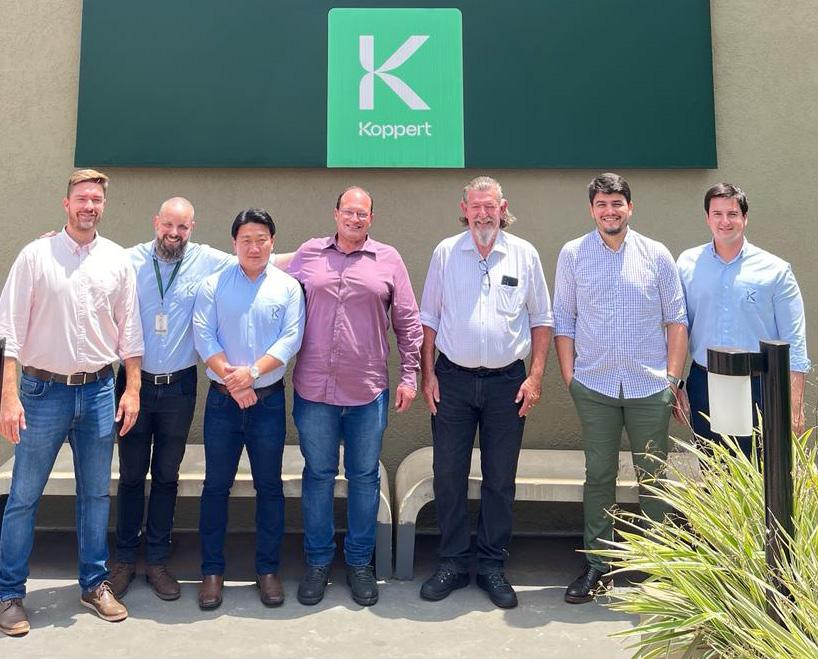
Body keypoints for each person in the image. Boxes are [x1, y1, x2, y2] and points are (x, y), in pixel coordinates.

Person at [0, 169, 144, 635]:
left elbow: (130, 330)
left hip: (99, 391)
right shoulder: (35, 255)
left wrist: (133, 388)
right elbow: (9, 330)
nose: (89, 206)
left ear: (103, 206)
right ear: (67, 204)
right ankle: (8, 594)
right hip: (42, 393)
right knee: (24, 495)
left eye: (96, 200)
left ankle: (94, 583)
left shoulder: (117, 260)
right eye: (82, 198)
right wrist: (8, 396)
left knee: (95, 494)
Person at [418, 176, 553, 609]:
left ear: (502, 208)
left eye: (489, 206)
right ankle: (453, 562)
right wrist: (428, 376)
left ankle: (492, 564)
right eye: (475, 206)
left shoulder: (524, 254)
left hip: (507, 383)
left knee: (500, 478)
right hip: (452, 381)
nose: (483, 214)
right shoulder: (445, 252)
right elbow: (428, 320)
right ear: (464, 209)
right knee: (448, 475)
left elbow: (542, 320)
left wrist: (535, 378)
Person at [553, 173, 688, 604]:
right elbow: (564, 320)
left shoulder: (656, 254)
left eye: (616, 203)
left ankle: (661, 569)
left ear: (630, 207)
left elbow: (676, 320)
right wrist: (571, 378)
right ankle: (599, 565)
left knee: (654, 477)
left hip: (650, 388)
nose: (609, 211)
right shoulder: (573, 254)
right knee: (599, 476)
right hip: (594, 387)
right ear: (591, 209)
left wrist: (671, 381)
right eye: (602, 204)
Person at [285, 186, 421, 607]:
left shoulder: (389, 259)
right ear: (336, 214)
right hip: (314, 389)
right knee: (318, 476)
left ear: (371, 219)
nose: (355, 218)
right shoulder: (308, 254)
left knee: (364, 478)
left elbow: (408, 321)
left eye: (362, 213)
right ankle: (317, 563)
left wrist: (410, 376)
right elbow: (273, 291)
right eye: (348, 211)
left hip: (367, 390)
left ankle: (360, 563)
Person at [107, 198, 234, 601]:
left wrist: (312, 255)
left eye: (182, 227)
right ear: (155, 222)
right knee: (131, 475)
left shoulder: (205, 259)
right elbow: (87, 263)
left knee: (166, 476)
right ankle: (124, 559)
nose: (174, 234)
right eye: (168, 225)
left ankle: (157, 561)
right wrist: (52, 243)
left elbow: (257, 258)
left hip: (179, 387)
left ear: (192, 227)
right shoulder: (127, 260)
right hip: (133, 385)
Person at [192, 208, 304, 610]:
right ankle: (212, 572)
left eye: (261, 239)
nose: (254, 247)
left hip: (268, 402)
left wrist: (251, 374)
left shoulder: (288, 287)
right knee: (215, 487)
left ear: (272, 242)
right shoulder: (213, 284)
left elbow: (291, 338)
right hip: (222, 402)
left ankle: (268, 570)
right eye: (246, 240)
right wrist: (233, 381)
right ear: (234, 243)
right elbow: (203, 335)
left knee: (269, 487)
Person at [676, 183, 810, 455]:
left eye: (732, 214)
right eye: (717, 214)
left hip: (759, 385)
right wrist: (676, 383)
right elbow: (678, 328)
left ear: (745, 218)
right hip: (705, 382)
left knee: (760, 468)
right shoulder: (687, 264)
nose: (724, 221)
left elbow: (794, 343)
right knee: (712, 467)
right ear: (707, 218)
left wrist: (794, 405)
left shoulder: (775, 270)